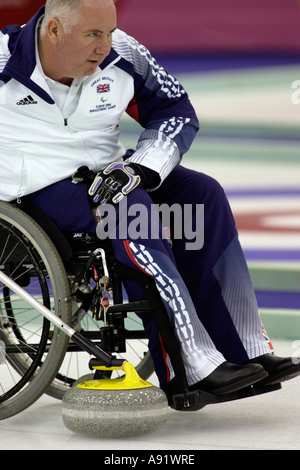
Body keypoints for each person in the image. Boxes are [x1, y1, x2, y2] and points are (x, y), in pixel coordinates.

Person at [0, 0, 299, 404]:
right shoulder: (3, 59)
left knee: (200, 197)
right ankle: (190, 364)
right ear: (54, 30)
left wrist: (141, 167)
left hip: (110, 177)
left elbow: (175, 111)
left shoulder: (124, 53)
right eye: (93, 35)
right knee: (130, 211)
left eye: (108, 32)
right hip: (30, 193)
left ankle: (243, 348)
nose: (105, 46)